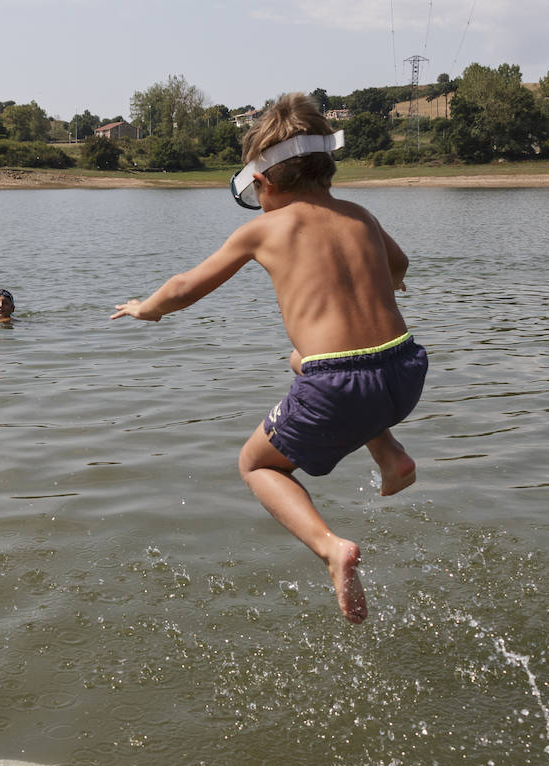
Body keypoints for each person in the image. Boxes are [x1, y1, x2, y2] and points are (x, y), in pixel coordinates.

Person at [112, 93, 427, 624]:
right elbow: (401, 265)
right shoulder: (362, 216)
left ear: (263, 183)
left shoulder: (263, 228)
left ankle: (331, 548)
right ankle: (391, 456)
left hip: (340, 388)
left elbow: (187, 286)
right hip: (405, 368)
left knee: (255, 463)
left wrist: (148, 310)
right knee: (302, 358)